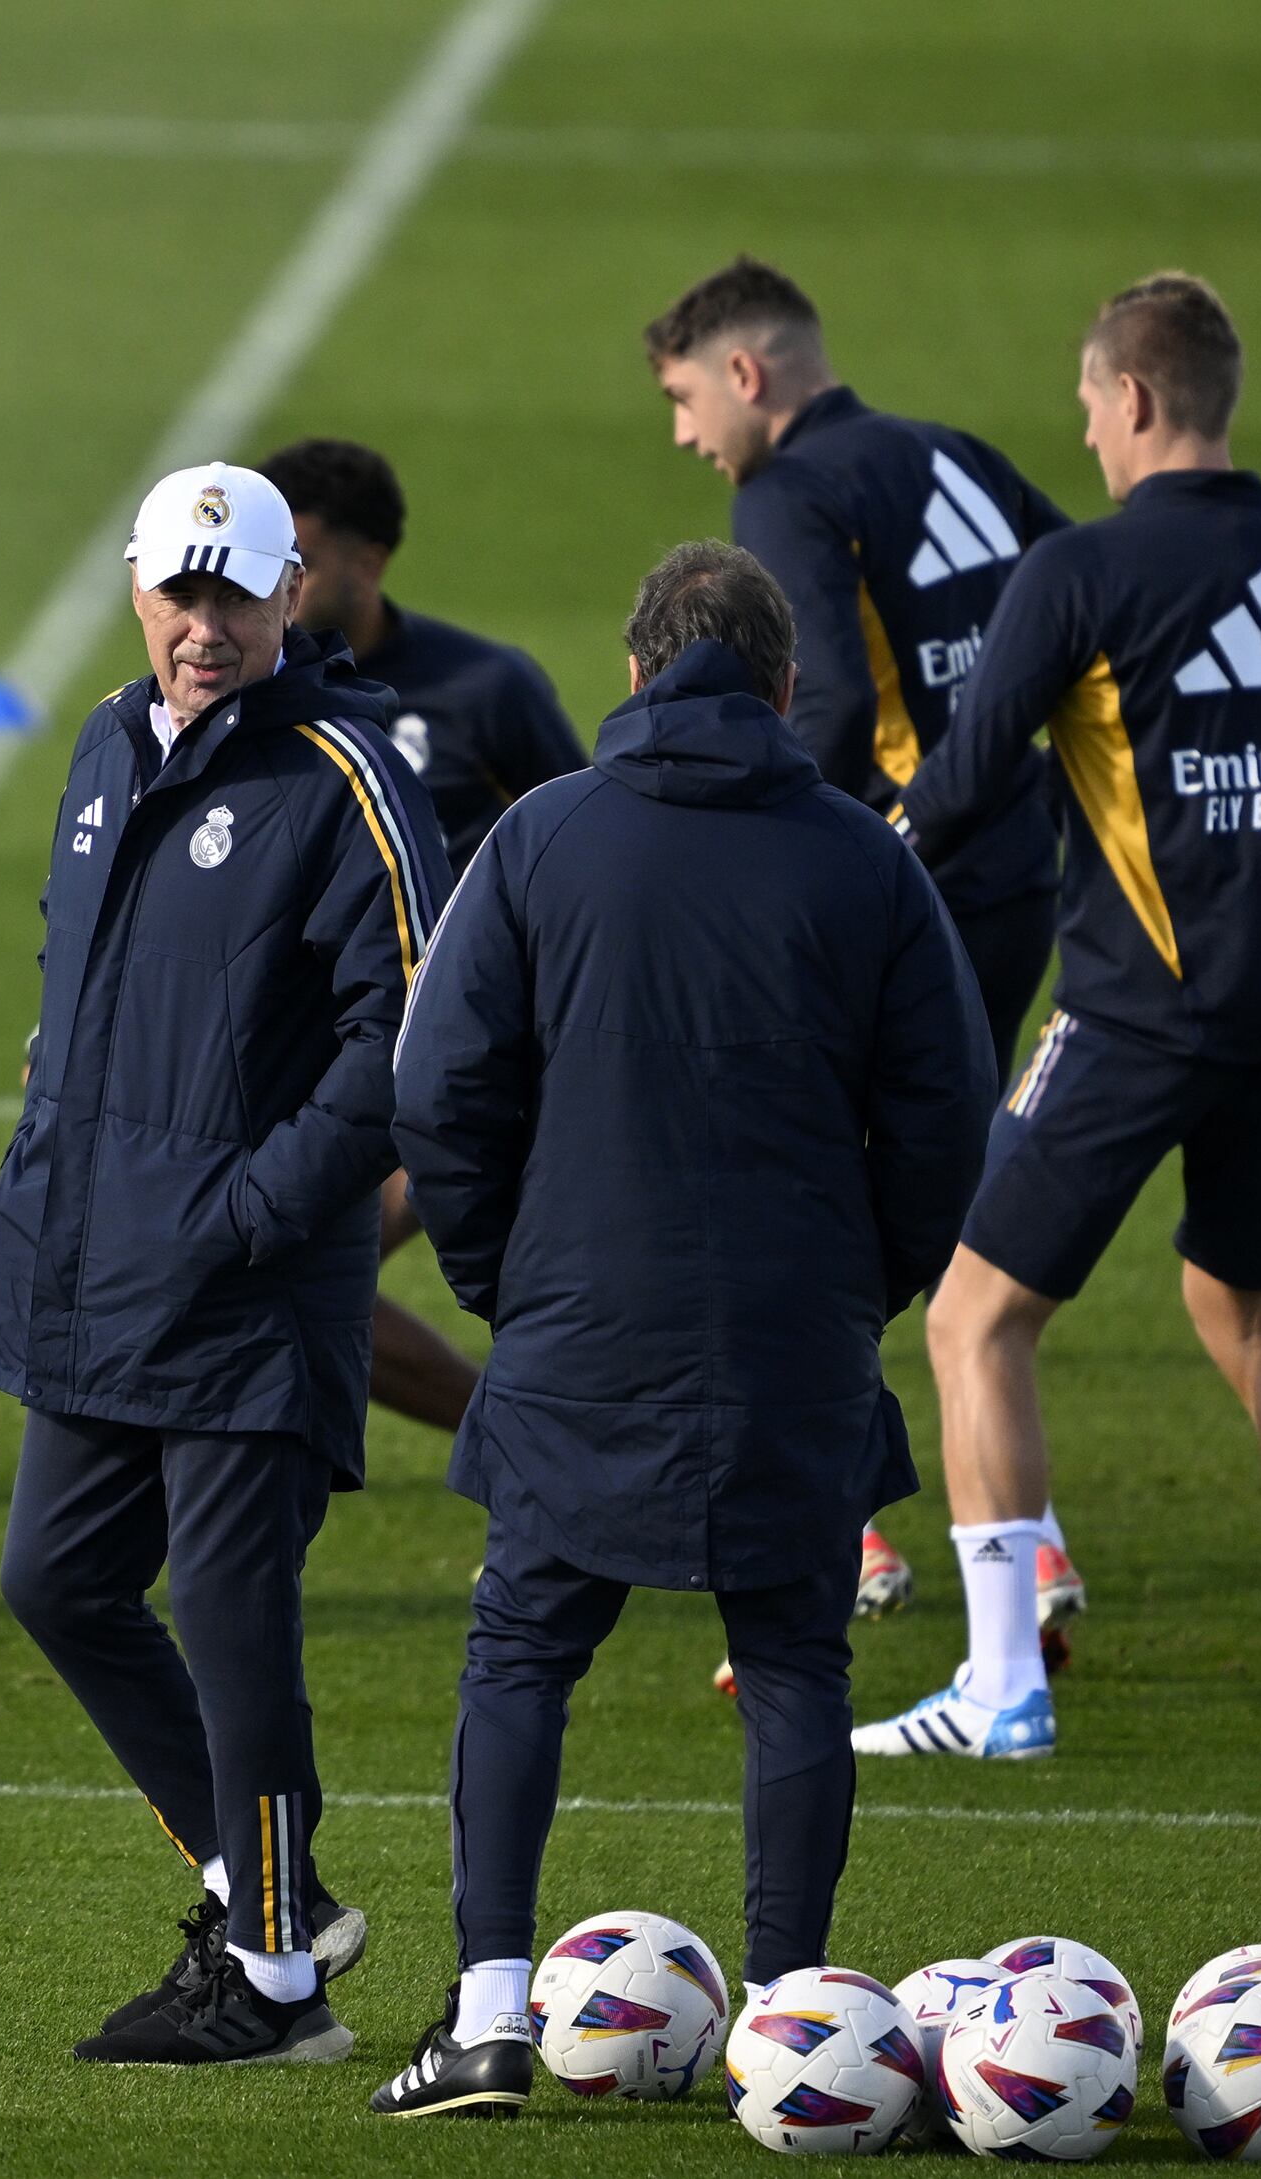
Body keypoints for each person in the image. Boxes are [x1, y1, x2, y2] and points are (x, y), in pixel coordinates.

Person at [375, 541, 993, 2119]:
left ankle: (492, 2016)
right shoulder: (864, 858)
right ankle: (791, 2029)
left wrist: (502, 1275)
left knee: (521, 1648)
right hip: (792, 1324)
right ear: (788, 687)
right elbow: (944, 1113)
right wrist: (868, 1282)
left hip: (575, 1321)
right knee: (794, 1657)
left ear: (636, 671)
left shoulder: (539, 838)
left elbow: (440, 1088)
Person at [857, 274, 1261, 1763]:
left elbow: (973, 772)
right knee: (1247, 1308)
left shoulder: (1081, 572)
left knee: (974, 1316)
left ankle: (1001, 1685)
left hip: (1133, 1015)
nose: (1089, 437)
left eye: (1088, 409)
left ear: (1131, 400)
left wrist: (864, 855)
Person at [0, 462, 450, 2067]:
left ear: (291, 594)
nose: (203, 625)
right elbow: (79, 977)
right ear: (136, 587)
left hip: (248, 1282)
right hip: (103, 1254)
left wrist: (256, 1208)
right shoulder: (110, 742)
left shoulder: (346, 774)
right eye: (178, 594)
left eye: (233, 595)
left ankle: (272, 1980)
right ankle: (277, 1894)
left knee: (235, 1606)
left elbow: (410, 1032)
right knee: (55, 1574)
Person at [645, 256, 1080, 1638]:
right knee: (928, 1205)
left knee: (785, 1208)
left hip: (891, 895)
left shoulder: (781, 494)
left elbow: (819, 697)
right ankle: (1027, 1542)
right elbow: (1088, 605)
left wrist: (760, 858)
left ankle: (836, 1537)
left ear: (748, 374)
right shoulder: (955, 455)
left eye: (683, 397)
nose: (684, 434)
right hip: (1018, 886)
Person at [257, 436, 585, 1437]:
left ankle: (533, 1451)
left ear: (369, 561)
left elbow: (580, 857)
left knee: (307, 1270)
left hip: (468, 1061)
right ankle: (536, 1451)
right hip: (321, 1055)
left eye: (298, 556)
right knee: (297, 1278)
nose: (278, 579)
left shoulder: (484, 689)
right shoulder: (245, 693)